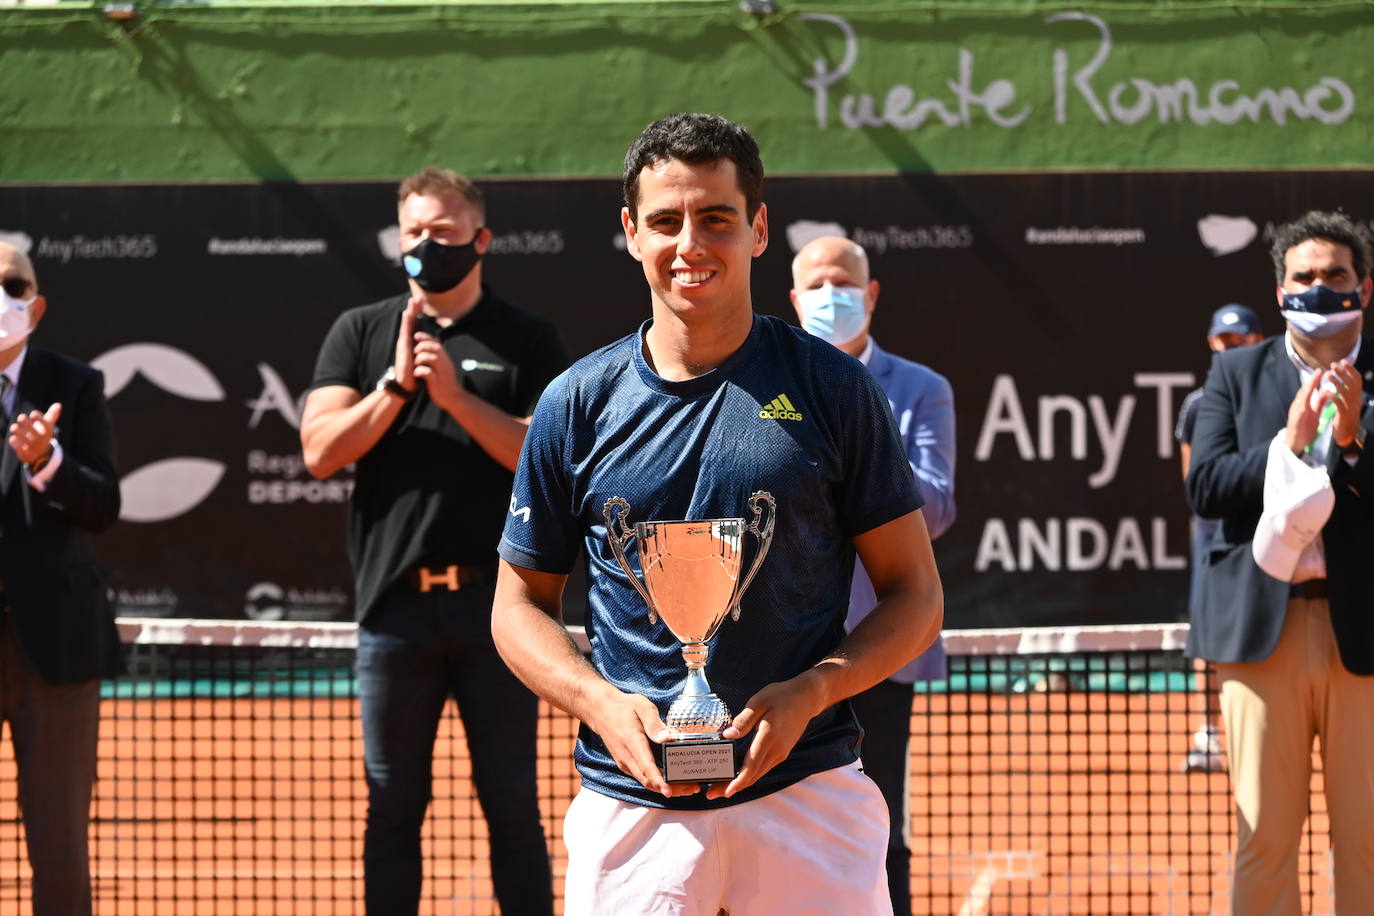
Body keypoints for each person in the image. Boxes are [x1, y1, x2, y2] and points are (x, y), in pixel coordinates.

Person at [491, 112, 944, 916]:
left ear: (758, 229)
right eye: (665, 221)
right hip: (632, 805)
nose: (689, 244)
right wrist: (599, 701)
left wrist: (811, 691)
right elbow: (516, 606)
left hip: (809, 792)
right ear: (632, 233)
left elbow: (915, 595)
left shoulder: (835, 389)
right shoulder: (576, 403)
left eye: (716, 218)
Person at [301, 167, 567, 915]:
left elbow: (543, 458)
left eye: (444, 231)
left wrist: (454, 397)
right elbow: (320, 451)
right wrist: (394, 388)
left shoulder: (527, 337)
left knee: (513, 806)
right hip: (394, 614)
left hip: (502, 613)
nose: (427, 244)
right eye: (414, 231)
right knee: (392, 808)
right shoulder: (360, 331)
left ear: (480, 240)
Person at [1186, 210, 1374, 914]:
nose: (1320, 289)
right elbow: (1205, 487)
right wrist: (1285, 448)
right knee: (1263, 836)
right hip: (1261, 637)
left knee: (1366, 837)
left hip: (1365, 638)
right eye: (1305, 277)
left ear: (1365, 287)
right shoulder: (1233, 373)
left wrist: (1354, 443)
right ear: (1279, 289)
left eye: (1336, 276)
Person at [788, 235, 955, 915]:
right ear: (795, 301)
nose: (833, 296)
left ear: (872, 294)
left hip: (880, 648)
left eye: (846, 283)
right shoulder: (762, 383)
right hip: (779, 648)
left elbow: (936, 507)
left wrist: (851, 443)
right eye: (818, 285)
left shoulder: (920, 389)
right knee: (774, 825)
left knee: (878, 825)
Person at [0, 241, 123, 915]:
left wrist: (48, 464)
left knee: (59, 843)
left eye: (13, 285)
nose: (1, 298)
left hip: (56, 647)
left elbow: (103, 505)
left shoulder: (75, 385)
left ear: (36, 306)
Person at [1174, 303, 1263, 773]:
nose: (1229, 347)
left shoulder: (1272, 397)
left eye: (1239, 339)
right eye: (1222, 341)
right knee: (1207, 636)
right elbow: (1198, 486)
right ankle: (1210, 733)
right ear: (1212, 344)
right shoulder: (1197, 406)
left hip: (1269, 537)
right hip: (1213, 541)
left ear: (1256, 340)